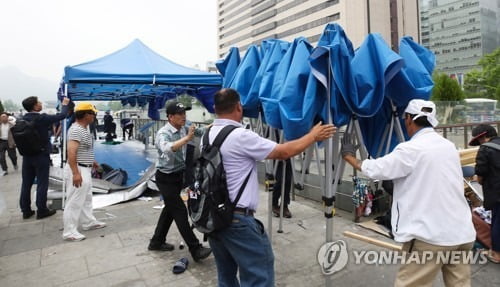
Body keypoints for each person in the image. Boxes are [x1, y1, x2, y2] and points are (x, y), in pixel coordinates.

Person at [206, 88, 335, 286]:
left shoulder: (207, 134)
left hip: (213, 217)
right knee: (260, 275)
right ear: (239, 107)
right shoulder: (241, 136)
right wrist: (313, 136)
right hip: (237, 219)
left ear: (215, 108)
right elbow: (283, 152)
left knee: (226, 276)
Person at [342, 99, 476, 287]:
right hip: (462, 233)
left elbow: (375, 169)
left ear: (409, 119)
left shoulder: (410, 149)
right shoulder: (448, 146)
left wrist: (348, 156)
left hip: (431, 237)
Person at [148, 101, 212, 263]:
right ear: (170, 117)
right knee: (180, 211)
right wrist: (187, 138)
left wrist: (216, 125)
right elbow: (168, 148)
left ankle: (156, 241)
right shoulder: (163, 133)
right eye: (180, 114)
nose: (184, 116)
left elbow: (201, 131)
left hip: (178, 176)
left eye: (185, 113)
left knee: (170, 210)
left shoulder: (185, 127)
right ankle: (195, 248)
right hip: (165, 178)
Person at [20, 96, 70, 220]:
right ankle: (41, 210)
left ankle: (26, 210)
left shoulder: (22, 119)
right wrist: (64, 104)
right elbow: (62, 115)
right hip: (40, 156)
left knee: (26, 184)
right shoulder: (41, 118)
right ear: (35, 106)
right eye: (38, 102)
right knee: (42, 183)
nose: (40, 103)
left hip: (26, 157)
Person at [63, 102, 106, 241]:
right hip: (79, 169)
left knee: (86, 198)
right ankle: (69, 231)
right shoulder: (76, 130)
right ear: (86, 115)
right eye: (93, 114)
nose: (94, 116)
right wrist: (76, 173)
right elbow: (71, 152)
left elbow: (83, 150)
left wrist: (92, 162)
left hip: (85, 168)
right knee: (74, 201)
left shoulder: (84, 129)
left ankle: (88, 222)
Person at [469, 124, 500, 263]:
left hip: (497, 192)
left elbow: (480, 174)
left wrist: (478, 179)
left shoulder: (486, 149)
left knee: (498, 221)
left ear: (483, 136)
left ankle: (497, 254)